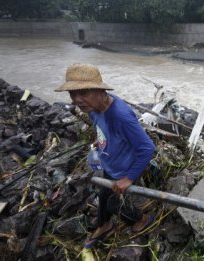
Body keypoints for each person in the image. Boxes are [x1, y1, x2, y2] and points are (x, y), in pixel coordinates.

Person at [55, 63, 156, 248]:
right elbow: (101, 126)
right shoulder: (93, 108)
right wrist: (100, 139)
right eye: (72, 94)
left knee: (113, 204)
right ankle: (105, 225)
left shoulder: (121, 115)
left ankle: (142, 219)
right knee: (104, 196)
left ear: (101, 91)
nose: (77, 100)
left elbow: (147, 148)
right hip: (111, 163)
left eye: (83, 93)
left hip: (124, 168)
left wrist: (129, 178)